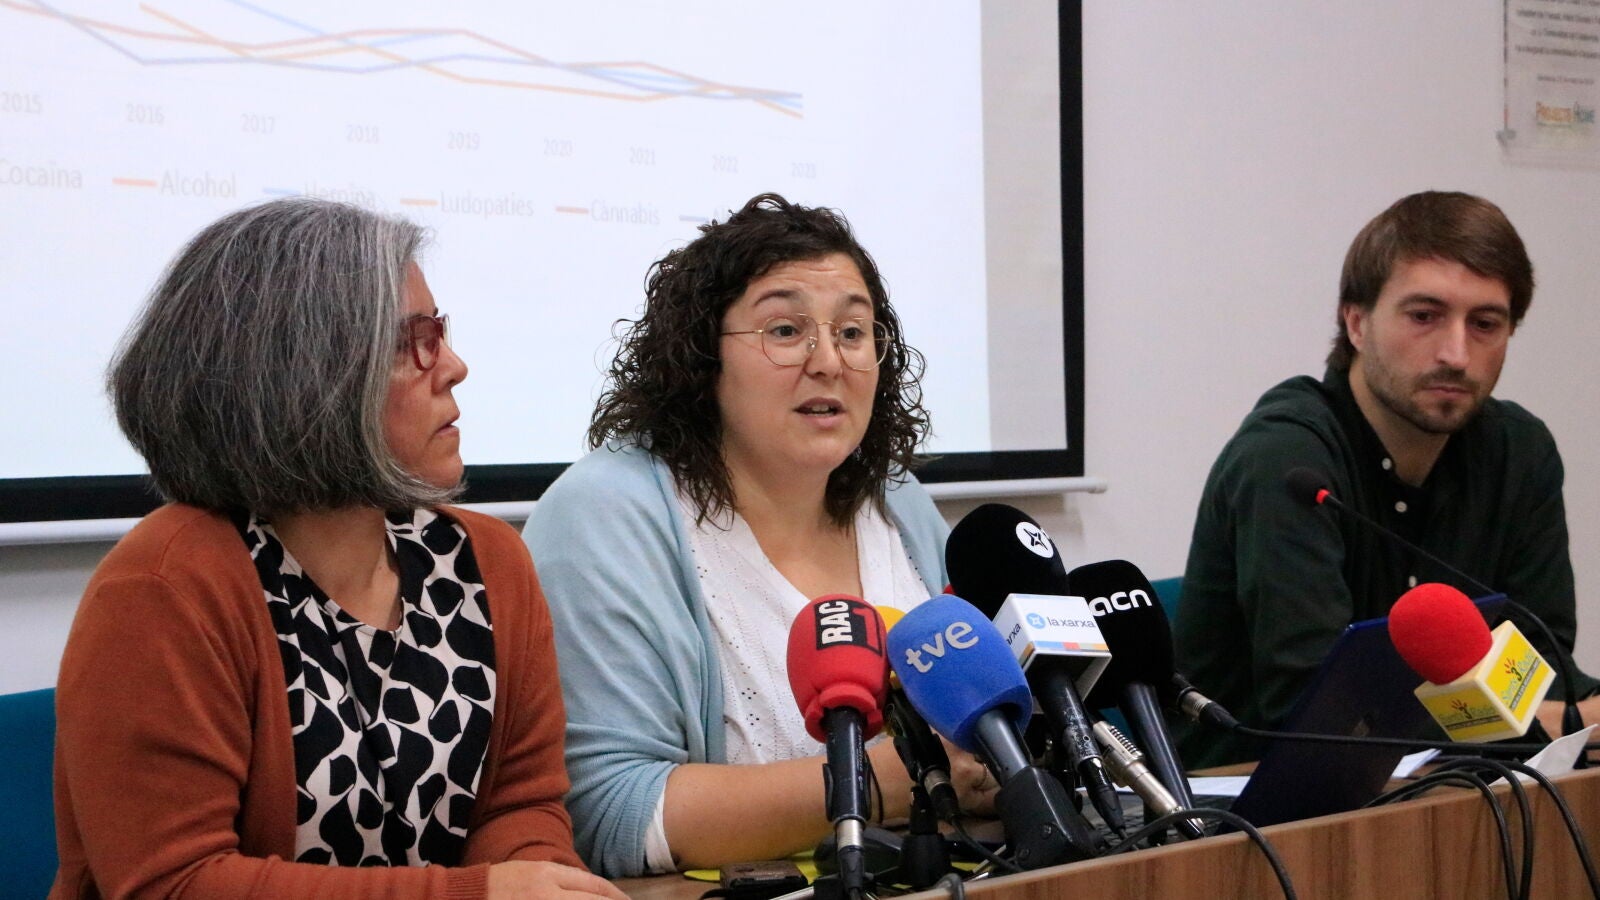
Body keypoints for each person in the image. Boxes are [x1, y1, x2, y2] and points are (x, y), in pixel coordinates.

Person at [52, 198, 625, 900]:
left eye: (440, 333)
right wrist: (474, 895)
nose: (455, 367)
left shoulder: (487, 561)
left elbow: (516, 807)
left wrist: (539, 882)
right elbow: (174, 884)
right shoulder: (163, 589)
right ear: (305, 377)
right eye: (410, 343)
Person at [523, 193, 995, 877]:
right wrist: (892, 779)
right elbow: (611, 814)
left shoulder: (896, 500)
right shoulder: (604, 514)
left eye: (853, 332)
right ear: (702, 357)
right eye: (785, 330)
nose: (828, 361)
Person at [1174, 190, 1600, 767]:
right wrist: (1555, 724)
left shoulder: (1520, 452)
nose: (1456, 353)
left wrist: (1562, 714)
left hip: (1459, 787)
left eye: (1485, 324)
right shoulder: (1288, 460)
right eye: (1424, 316)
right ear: (1356, 323)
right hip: (1250, 797)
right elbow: (1320, 715)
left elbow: (1542, 665)